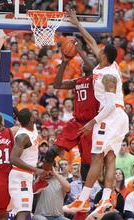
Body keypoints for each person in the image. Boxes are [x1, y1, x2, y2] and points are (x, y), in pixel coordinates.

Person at [63, 9, 129, 218]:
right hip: (119, 117)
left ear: (104, 56)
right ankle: (105, 200)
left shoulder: (108, 76)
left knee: (96, 157)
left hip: (110, 116)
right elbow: (91, 41)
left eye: (100, 51)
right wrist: (77, 23)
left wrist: (92, 122)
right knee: (109, 158)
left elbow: (109, 106)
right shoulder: (109, 65)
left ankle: (82, 199)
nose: (96, 51)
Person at [36, 40, 99, 191]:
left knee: (86, 164)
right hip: (76, 123)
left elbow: (92, 67)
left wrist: (79, 50)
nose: (85, 63)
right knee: (51, 153)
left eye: (89, 61)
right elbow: (57, 85)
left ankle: (84, 196)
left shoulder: (97, 79)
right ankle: (42, 179)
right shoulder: (78, 81)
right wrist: (64, 62)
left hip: (90, 125)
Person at [7, 108, 48, 220]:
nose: (34, 114)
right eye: (32, 114)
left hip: (27, 175)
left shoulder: (33, 127)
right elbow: (13, 159)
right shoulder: (22, 136)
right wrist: (36, 170)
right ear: (31, 118)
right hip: (19, 176)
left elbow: (21, 114)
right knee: (24, 210)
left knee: (23, 211)